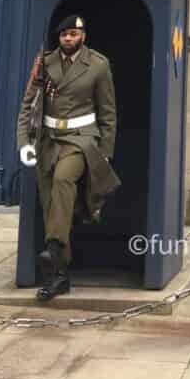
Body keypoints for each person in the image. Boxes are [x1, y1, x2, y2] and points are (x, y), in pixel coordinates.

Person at [17, 15, 119, 301]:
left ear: (83, 36)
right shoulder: (45, 63)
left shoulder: (98, 65)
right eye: (64, 35)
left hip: (81, 140)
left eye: (74, 34)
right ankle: (60, 275)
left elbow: (108, 113)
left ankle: (52, 246)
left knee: (64, 179)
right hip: (49, 141)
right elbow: (29, 105)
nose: (69, 39)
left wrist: (105, 154)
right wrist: (24, 142)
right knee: (52, 204)